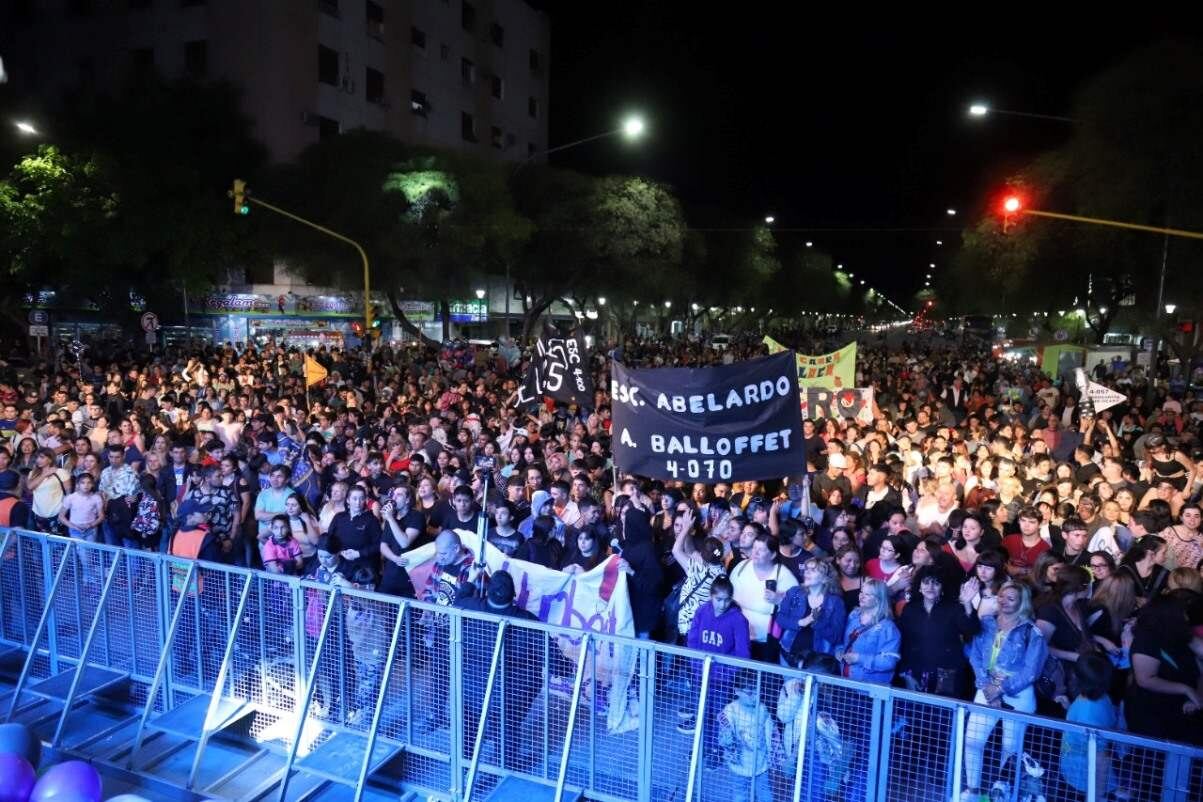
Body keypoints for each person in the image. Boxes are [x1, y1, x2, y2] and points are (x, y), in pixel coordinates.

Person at [962, 582, 1048, 799]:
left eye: (1011, 598)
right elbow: (975, 655)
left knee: (1010, 748)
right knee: (972, 740)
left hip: (1018, 695)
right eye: (1002, 596)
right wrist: (987, 686)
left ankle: (1003, 791)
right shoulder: (986, 623)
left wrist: (1000, 688)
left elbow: (1032, 670)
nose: (1004, 601)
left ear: (1022, 602)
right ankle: (972, 790)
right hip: (985, 689)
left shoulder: (1032, 631)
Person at [680, 577, 751, 737]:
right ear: (711, 596)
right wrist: (697, 666)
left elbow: (742, 654)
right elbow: (692, 640)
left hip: (722, 680)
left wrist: (727, 673)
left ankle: (715, 749)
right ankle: (701, 748)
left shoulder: (738, 620)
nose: (722, 604)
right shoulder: (702, 611)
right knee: (701, 711)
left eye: (727, 600)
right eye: (718, 599)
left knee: (719, 715)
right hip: (701, 673)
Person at [897, 565, 979, 697]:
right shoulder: (910, 609)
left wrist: (967, 603)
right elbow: (903, 644)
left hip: (947, 675)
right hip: (915, 672)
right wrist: (905, 673)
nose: (930, 587)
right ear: (919, 586)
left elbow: (972, 629)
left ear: (943, 588)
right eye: (926, 582)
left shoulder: (954, 608)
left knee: (942, 714)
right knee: (915, 713)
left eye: (936, 583)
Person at [1059, 653, 1122, 798]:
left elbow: (1101, 757)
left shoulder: (1089, 712)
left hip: (1083, 780)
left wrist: (1096, 796)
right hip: (1078, 772)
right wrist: (1070, 708)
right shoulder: (1101, 697)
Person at [730, 531, 798, 662]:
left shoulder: (783, 576)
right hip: (737, 636)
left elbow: (798, 609)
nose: (755, 553)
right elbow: (729, 598)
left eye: (761, 550)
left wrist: (780, 600)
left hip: (766, 643)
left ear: (772, 555)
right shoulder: (741, 567)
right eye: (755, 548)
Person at [716, 668, 777, 802]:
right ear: (737, 691)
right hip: (739, 766)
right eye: (749, 692)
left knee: (765, 795)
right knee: (740, 795)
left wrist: (773, 756)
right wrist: (726, 739)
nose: (754, 696)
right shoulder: (731, 710)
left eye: (757, 691)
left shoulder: (762, 709)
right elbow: (725, 735)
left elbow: (771, 735)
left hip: (761, 764)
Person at [835, 577, 900, 684]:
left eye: (868, 594)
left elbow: (889, 662)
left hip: (869, 687)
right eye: (861, 592)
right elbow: (843, 642)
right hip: (846, 680)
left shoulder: (888, 628)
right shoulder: (853, 616)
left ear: (879, 599)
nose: (861, 596)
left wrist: (859, 658)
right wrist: (839, 651)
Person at [326, 485, 382, 583]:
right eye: (354, 499)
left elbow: (379, 545)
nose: (358, 503)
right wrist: (340, 551)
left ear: (365, 500)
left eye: (361, 499)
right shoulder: (339, 517)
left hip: (364, 568)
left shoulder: (371, 520)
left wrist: (359, 553)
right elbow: (330, 538)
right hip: (342, 564)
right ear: (348, 500)